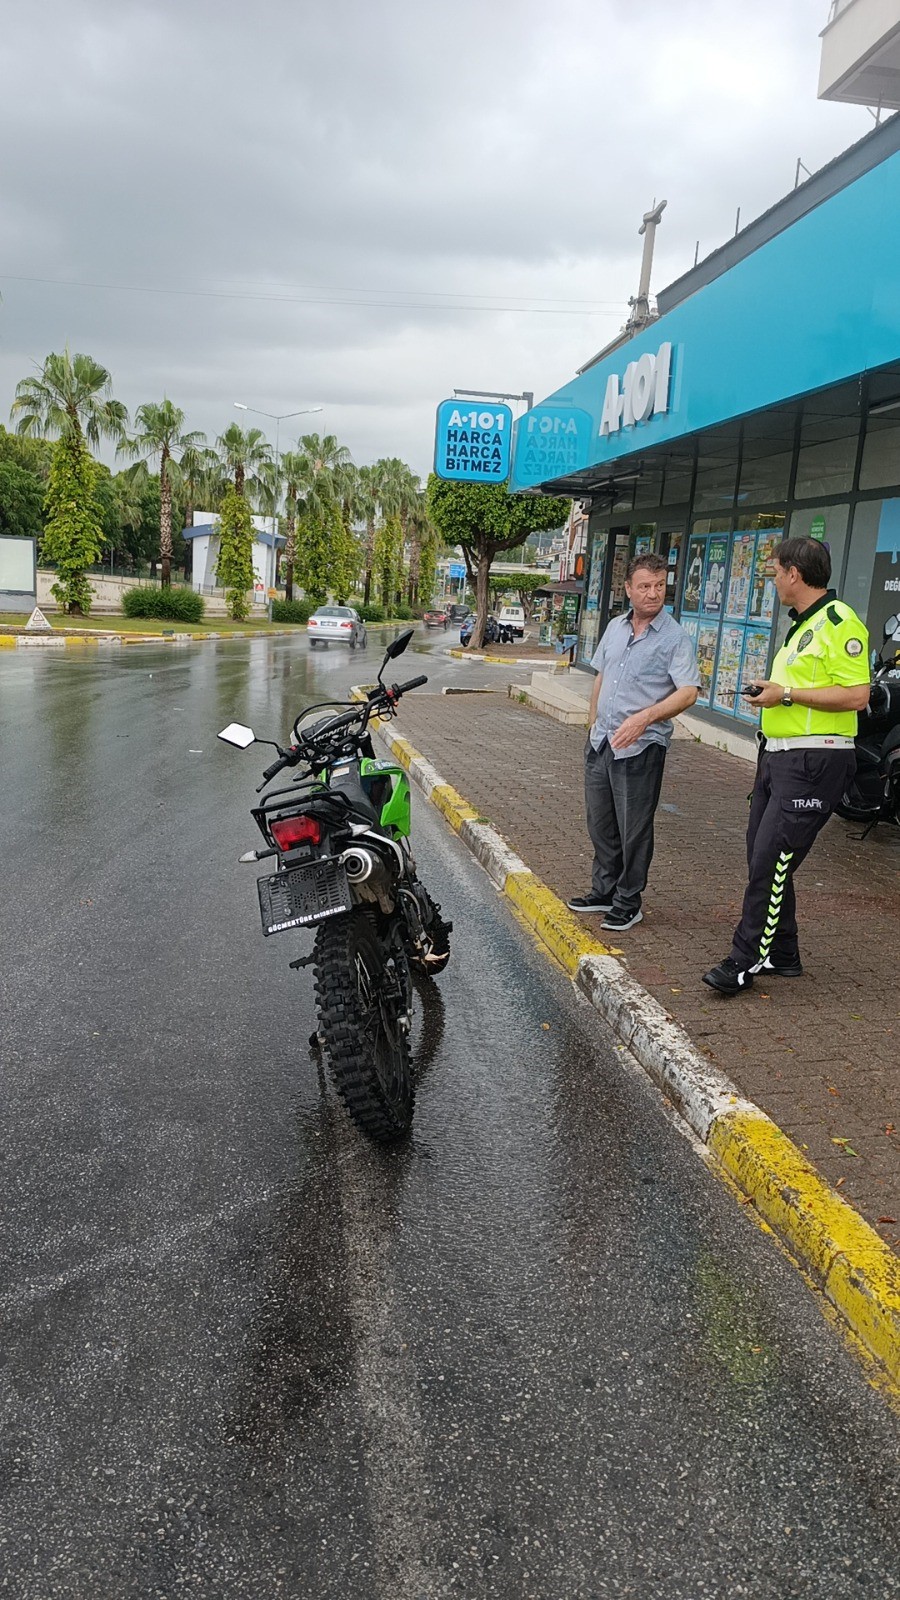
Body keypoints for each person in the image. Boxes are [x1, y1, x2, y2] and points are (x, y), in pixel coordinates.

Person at [703, 536, 870, 996]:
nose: (774, 580)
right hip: (779, 756)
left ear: (794, 573)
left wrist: (788, 694)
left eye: (776, 572)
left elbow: (858, 695)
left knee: (770, 859)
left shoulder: (840, 623)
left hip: (816, 759)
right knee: (766, 854)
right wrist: (771, 691)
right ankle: (783, 952)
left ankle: (744, 960)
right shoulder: (803, 625)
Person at [567, 553, 700, 932]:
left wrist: (645, 718)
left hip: (641, 748)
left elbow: (688, 691)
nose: (653, 593)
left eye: (659, 586)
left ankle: (628, 901)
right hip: (602, 741)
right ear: (628, 589)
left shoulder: (674, 637)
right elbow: (600, 676)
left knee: (634, 829)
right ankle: (604, 890)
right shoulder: (614, 627)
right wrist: (593, 722)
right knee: (600, 823)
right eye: (644, 586)